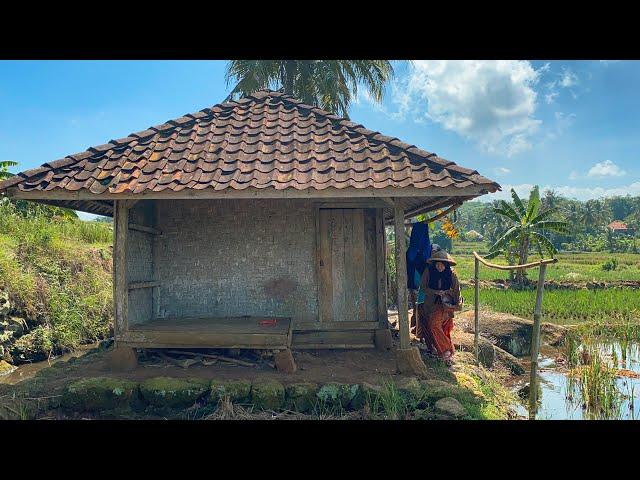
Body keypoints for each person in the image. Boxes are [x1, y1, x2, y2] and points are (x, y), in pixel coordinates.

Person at [417, 249, 462, 365]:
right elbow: (423, 287)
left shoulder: (451, 274)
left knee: (435, 324)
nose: (440, 267)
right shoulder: (428, 271)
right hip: (430, 304)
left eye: (442, 265)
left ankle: (446, 351)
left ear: (446, 264)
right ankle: (437, 349)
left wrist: (457, 304)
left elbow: (457, 290)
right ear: (435, 263)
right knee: (431, 326)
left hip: (445, 305)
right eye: (438, 264)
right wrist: (435, 292)